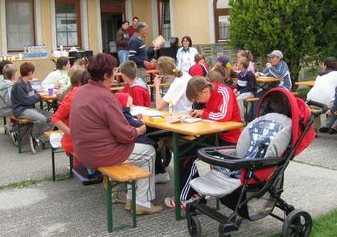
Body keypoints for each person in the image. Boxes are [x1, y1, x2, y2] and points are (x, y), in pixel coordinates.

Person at [70, 53, 162, 215]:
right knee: (148, 151)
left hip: (84, 151)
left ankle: (130, 198)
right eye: (114, 71)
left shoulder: (81, 92)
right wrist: (139, 130)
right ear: (106, 75)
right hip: (100, 153)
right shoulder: (106, 96)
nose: (115, 75)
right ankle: (141, 202)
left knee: (136, 149)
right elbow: (124, 134)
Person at [163, 76, 242, 209]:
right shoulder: (209, 93)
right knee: (183, 152)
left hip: (229, 140)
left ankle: (184, 198)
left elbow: (223, 116)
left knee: (185, 156)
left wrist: (203, 113)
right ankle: (195, 192)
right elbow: (213, 114)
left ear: (205, 91)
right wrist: (200, 112)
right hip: (214, 135)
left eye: (197, 98)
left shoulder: (224, 92)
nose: (197, 101)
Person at [11, 62, 53, 147]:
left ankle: (41, 137)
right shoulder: (19, 85)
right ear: (30, 72)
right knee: (41, 119)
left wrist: (37, 92)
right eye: (33, 72)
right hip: (21, 110)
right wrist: (39, 95)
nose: (33, 74)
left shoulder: (26, 82)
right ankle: (35, 136)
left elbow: (30, 94)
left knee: (54, 117)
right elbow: (26, 100)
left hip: (29, 108)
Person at [51, 69, 90, 157]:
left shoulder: (86, 94)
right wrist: (73, 133)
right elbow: (55, 119)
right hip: (76, 142)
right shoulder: (73, 96)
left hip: (85, 140)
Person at [306, 57, 337, 134]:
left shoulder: (319, 75)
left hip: (311, 100)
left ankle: (313, 130)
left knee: (316, 105)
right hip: (327, 103)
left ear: (325, 65)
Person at [234, 57, 257, 121]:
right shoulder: (240, 74)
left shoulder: (249, 74)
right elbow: (238, 85)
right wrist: (235, 90)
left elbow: (251, 87)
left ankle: (241, 119)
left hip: (250, 92)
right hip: (243, 92)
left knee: (238, 99)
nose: (237, 64)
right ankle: (237, 116)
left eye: (238, 63)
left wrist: (240, 92)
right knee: (233, 98)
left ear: (242, 65)